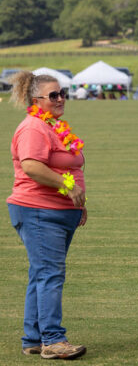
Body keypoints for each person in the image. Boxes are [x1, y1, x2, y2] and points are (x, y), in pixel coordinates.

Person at [7, 72, 87, 359]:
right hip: (39, 210)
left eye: (62, 93)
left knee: (41, 274)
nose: (61, 98)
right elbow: (32, 166)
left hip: (58, 211)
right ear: (36, 100)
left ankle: (33, 337)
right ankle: (52, 339)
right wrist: (68, 186)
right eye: (54, 95)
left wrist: (78, 200)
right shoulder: (33, 128)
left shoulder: (52, 126)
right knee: (50, 274)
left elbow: (70, 167)